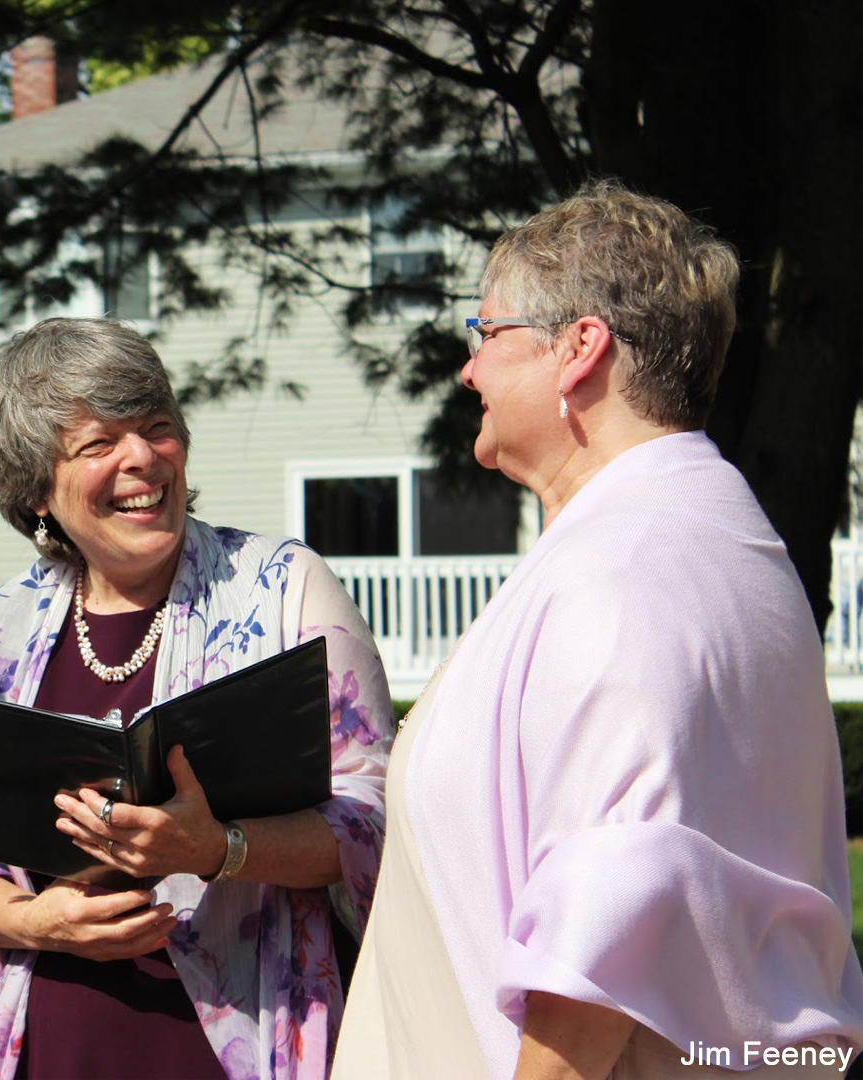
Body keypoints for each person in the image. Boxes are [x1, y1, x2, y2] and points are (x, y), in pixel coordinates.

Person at [332, 181, 863, 1079]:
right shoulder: (685, 536)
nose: (469, 369)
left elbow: (603, 939)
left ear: (580, 348)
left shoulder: (631, 569)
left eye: (487, 332)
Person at [0, 317, 393, 1079]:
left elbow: (377, 820)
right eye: (99, 443)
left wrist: (219, 849)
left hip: (234, 1044)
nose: (143, 458)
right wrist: (36, 921)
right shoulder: (1, 629)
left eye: (157, 427)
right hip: (49, 1047)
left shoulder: (285, 589)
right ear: (36, 491)